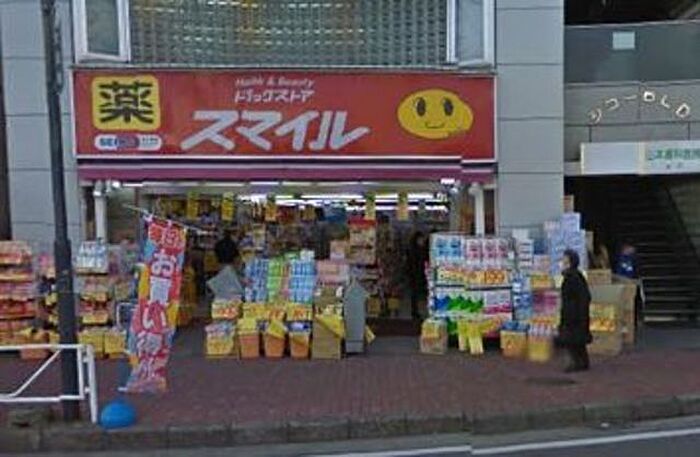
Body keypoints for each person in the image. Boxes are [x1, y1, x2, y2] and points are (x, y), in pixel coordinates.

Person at [559, 249, 592, 373]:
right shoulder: (573, 276)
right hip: (574, 312)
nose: (561, 263)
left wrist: (575, 310)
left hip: (573, 313)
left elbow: (582, 297)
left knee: (572, 339)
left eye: (564, 261)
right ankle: (582, 362)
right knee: (577, 340)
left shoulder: (573, 277)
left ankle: (576, 362)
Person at [407, 231, 429, 319]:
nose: (422, 241)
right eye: (421, 239)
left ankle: (416, 311)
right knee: (415, 294)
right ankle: (415, 311)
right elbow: (413, 264)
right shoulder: (416, 251)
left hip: (416, 274)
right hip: (415, 275)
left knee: (416, 294)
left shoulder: (418, 250)